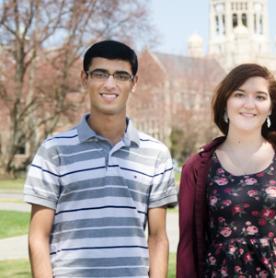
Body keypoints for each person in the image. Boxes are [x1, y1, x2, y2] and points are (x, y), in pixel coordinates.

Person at [24, 40, 177, 277]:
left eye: (121, 76)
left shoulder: (156, 154)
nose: (110, 84)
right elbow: (38, 236)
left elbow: (157, 238)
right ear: (85, 79)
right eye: (100, 74)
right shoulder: (54, 151)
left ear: (134, 83)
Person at [176, 63, 276, 277]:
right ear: (225, 102)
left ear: (271, 107)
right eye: (239, 94)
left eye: (260, 97)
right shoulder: (197, 168)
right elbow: (188, 249)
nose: (249, 104)